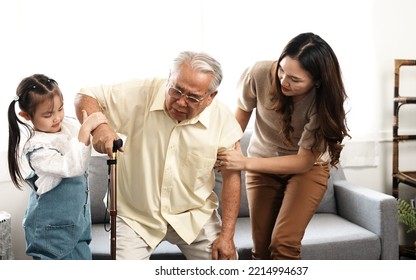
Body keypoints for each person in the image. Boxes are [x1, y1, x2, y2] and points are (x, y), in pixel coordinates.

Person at [74, 51, 243, 260]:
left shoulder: (223, 119)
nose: (181, 102)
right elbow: (84, 95)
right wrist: (100, 126)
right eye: (176, 90)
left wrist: (227, 236)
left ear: (211, 97)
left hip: (194, 216)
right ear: (169, 77)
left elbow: (232, 176)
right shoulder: (140, 92)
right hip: (135, 217)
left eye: (192, 97)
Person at [216, 32, 350, 260]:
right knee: (261, 249)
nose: (283, 81)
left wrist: (244, 162)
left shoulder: (323, 104)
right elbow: (239, 119)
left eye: (295, 79)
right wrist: (228, 150)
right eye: (282, 70)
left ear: (317, 80)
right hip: (262, 168)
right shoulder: (258, 73)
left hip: (307, 170)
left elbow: (302, 161)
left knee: (283, 244)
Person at [7, 74, 108, 259]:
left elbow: (83, 141)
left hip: (78, 224)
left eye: (60, 109)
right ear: (26, 116)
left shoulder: (66, 125)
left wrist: (91, 126)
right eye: (47, 114)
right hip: (52, 233)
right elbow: (71, 166)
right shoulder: (37, 149)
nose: (56, 118)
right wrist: (85, 129)